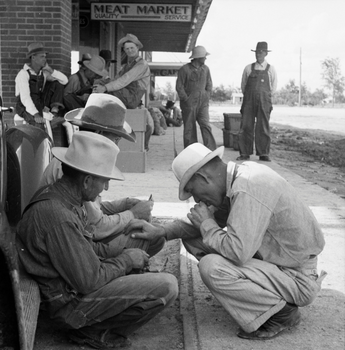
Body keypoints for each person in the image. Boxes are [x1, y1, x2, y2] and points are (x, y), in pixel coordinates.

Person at [126, 143, 327, 340]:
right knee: (195, 237)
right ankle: (252, 297)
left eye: (193, 191)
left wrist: (207, 223)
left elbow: (237, 253)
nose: (196, 200)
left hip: (298, 277)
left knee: (212, 267)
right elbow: (200, 225)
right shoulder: (238, 179)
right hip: (279, 264)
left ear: (203, 177)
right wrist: (160, 231)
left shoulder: (249, 187)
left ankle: (281, 312)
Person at [17, 131, 178, 348]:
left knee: (147, 238)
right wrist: (126, 261)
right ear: (87, 181)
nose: (107, 188)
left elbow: (88, 249)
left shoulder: (64, 199)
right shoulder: (58, 215)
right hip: (69, 306)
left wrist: (122, 254)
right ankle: (92, 331)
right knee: (167, 286)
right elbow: (89, 281)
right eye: (104, 181)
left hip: (74, 286)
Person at [41, 94, 163, 256]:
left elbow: (91, 210)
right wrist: (133, 214)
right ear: (100, 133)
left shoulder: (78, 157)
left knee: (143, 228)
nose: (116, 146)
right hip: (73, 245)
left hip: (76, 237)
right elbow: (96, 226)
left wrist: (123, 205)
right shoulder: (78, 166)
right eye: (116, 139)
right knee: (151, 238)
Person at [237, 42, 278, 162]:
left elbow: (273, 88)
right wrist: (250, 96)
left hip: (264, 101)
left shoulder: (271, 69)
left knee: (263, 127)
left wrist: (264, 97)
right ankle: (244, 153)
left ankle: (263, 153)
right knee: (246, 126)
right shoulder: (248, 68)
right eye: (256, 52)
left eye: (261, 52)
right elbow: (243, 86)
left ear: (266, 53)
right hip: (249, 101)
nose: (258, 54)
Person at [14, 42, 68, 129]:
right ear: (33, 57)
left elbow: (64, 80)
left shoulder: (44, 73)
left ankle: (54, 114)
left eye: (45, 56)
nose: (45, 59)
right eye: (42, 56)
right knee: (38, 126)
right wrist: (36, 114)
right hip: (24, 107)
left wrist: (50, 69)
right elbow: (25, 98)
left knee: (58, 84)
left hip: (39, 103)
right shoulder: (23, 74)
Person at [93, 34, 150, 109]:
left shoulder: (142, 64)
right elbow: (116, 79)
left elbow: (124, 80)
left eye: (132, 48)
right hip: (125, 94)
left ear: (137, 47)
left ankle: (94, 107)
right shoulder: (127, 66)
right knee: (99, 82)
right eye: (127, 49)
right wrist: (102, 83)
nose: (129, 51)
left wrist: (105, 88)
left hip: (132, 98)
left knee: (105, 88)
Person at [176, 46, 216, 149]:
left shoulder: (206, 69)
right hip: (189, 103)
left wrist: (207, 96)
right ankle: (191, 151)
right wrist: (186, 99)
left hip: (203, 103)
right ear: (198, 57)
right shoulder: (184, 69)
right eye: (204, 57)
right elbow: (179, 87)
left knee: (205, 125)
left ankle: (211, 150)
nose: (205, 59)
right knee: (190, 128)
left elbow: (209, 84)